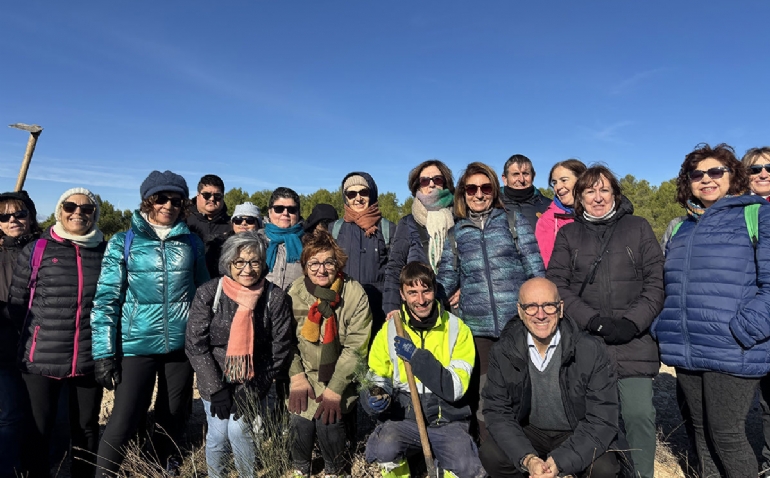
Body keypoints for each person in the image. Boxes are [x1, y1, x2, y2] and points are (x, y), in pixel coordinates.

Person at [652, 143, 770, 477]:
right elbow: (666, 284)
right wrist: (664, 326)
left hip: (732, 346)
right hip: (688, 350)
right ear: (687, 181)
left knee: (727, 435)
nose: (706, 179)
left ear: (734, 176)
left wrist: (744, 330)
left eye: (716, 171)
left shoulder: (757, 214)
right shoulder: (680, 228)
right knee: (701, 436)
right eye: (697, 174)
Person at [546, 165, 663, 478]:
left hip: (633, 343)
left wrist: (631, 323)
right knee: (592, 420)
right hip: (588, 341)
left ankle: (641, 474)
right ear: (580, 197)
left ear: (615, 194)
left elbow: (655, 283)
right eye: (589, 191)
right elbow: (558, 285)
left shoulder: (638, 228)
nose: (597, 197)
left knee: (638, 415)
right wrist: (592, 321)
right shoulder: (569, 234)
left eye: (604, 190)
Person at [91, 170, 209, 476]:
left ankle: (156, 467)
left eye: (176, 200)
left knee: (171, 416)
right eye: (161, 198)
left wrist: (203, 338)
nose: (168, 205)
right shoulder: (122, 241)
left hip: (180, 346)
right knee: (125, 418)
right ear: (148, 201)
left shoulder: (191, 242)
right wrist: (103, 353)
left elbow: (203, 294)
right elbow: (106, 299)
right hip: (136, 344)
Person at [436, 161, 545, 441]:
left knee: (522, 392)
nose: (479, 194)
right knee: (485, 397)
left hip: (517, 324)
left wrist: (541, 312)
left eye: (485, 187)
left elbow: (535, 271)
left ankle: (526, 453)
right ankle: (491, 455)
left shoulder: (513, 222)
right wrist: (425, 297)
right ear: (463, 193)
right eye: (471, 188)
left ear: (494, 190)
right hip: (477, 330)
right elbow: (446, 279)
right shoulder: (456, 234)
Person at [6, 188, 106, 478]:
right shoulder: (37, 249)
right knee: (39, 429)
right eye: (70, 206)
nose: (78, 212)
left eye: (86, 209)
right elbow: (17, 303)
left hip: (88, 357)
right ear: (60, 210)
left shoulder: (104, 250)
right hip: (40, 359)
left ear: (94, 214)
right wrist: (37, 337)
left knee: (86, 428)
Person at [479, 278, 620, 478]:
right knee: (491, 454)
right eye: (531, 307)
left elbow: (603, 419)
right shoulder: (504, 351)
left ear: (560, 309)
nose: (541, 314)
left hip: (576, 431)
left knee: (604, 469)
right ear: (520, 311)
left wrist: (560, 462)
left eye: (548, 306)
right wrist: (527, 459)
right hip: (530, 431)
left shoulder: (590, 350)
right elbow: (497, 411)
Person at [186, 232, 293, 478]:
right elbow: (195, 344)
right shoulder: (209, 293)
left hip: (253, 378)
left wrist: (254, 388)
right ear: (228, 263)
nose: (247, 269)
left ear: (264, 264)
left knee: (239, 431)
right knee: (218, 435)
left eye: (254, 262)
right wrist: (216, 389)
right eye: (240, 262)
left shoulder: (274, 297)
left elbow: (280, 347)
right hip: (214, 377)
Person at [363, 261, 485, 478]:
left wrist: (416, 358)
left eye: (426, 291)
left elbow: (454, 389)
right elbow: (377, 376)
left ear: (435, 290)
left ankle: (443, 468)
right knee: (384, 448)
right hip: (406, 419)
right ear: (402, 294)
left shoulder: (458, 329)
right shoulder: (390, 330)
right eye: (412, 293)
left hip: (446, 419)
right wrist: (374, 397)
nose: (420, 300)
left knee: (467, 467)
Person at [286, 229, 372, 477]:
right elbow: (285, 341)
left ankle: (336, 470)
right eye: (313, 263)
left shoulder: (354, 294)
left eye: (328, 262)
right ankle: (300, 468)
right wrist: (297, 376)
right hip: (306, 374)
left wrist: (335, 389)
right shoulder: (295, 293)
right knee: (299, 421)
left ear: (338, 264)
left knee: (328, 423)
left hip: (340, 377)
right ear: (304, 266)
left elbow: (356, 347)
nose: (321, 270)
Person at [0, 190, 40, 478]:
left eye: (20, 213)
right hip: (3, 346)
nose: (13, 219)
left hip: (41, 346)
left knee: (39, 417)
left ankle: (37, 466)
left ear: (31, 217)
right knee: (9, 416)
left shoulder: (45, 248)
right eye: (4, 215)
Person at [383, 160, 455, 315]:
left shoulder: (458, 218)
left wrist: (465, 290)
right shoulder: (408, 223)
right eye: (424, 181)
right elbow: (395, 267)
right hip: (418, 309)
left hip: (455, 308)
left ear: (445, 183)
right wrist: (392, 307)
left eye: (437, 179)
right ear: (417, 186)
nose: (431, 185)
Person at [332, 172, 396, 332]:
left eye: (364, 192)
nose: (358, 198)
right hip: (344, 307)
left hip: (379, 309)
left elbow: (395, 271)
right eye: (352, 193)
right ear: (345, 197)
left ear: (372, 193)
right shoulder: (335, 229)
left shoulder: (388, 229)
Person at [743, 146, 770, 476]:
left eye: (769, 167)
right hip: (753, 317)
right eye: (755, 169)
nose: (763, 173)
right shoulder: (741, 212)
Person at [534, 159, 586, 267]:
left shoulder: (597, 213)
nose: (558, 187)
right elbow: (547, 265)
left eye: (564, 180)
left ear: (581, 180)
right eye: (554, 183)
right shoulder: (547, 221)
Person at [187, 174, 231, 278]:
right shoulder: (183, 222)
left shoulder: (232, 225)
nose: (212, 199)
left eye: (217, 196)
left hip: (221, 286)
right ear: (198, 195)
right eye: (206, 195)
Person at [260, 187, 304, 291]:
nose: (285, 213)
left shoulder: (310, 243)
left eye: (291, 209)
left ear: (298, 213)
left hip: (297, 305)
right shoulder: (254, 241)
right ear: (270, 212)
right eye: (279, 209)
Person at [500, 154, 551, 231]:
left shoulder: (549, 206)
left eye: (525, 174)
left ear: (533, 176)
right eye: (515, 174)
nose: (521, 180)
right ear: (505, 178)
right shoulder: (492, 204)